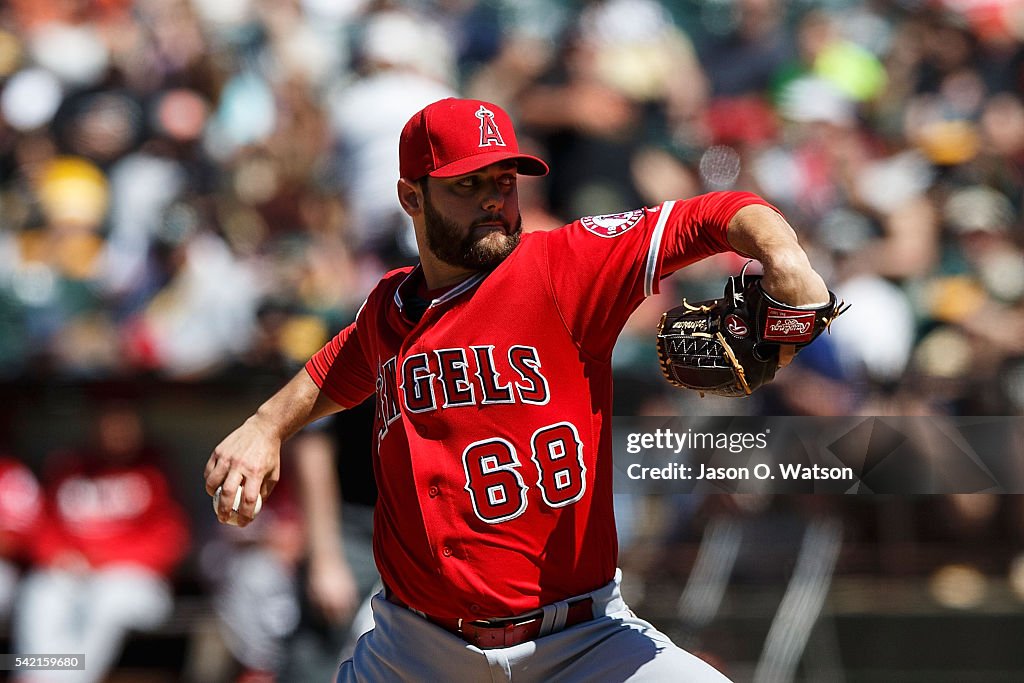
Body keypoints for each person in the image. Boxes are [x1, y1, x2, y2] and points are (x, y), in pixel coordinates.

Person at [204, 97, 830, 682]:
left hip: (581, 641)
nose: (493, 200)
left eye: (504, 180)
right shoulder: (389, 307)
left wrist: (785, 255)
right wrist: (266, 425)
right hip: (417, 651)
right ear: (410, 197)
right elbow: (338, 365)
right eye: (466, 184)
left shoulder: (567, 264)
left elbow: (714, 213)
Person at [14, 401, 190, 683]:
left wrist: (102, 558)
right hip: (76, 574)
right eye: (109, 422)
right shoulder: (70, 465)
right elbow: (42, 528)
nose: (116, 431)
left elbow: (171, 541)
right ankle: (34, 675)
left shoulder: (154, 469)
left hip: (135, 581)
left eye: (124, 423)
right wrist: (58, 556)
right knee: (41, 592)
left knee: (108, 600)